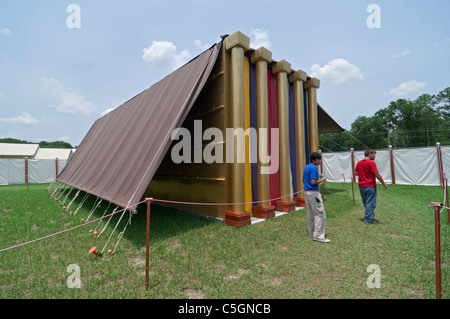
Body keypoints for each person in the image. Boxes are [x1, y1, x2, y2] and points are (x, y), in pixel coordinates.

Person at [355, 149, 388, 225]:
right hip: (370, 185)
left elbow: (356, 173)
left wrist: (363, 175)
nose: (374, 156)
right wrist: (384, 184)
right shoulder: (371, 163)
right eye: (374, 154)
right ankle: (368, 219)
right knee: (370, 203)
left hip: (361, 186)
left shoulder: (359, 163)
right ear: (370, 154)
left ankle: (369, 216)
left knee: (366, 202)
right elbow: (377, 175)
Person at [303, 152, 330, 243]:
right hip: (313, 192)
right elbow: (313, 182)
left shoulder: (306, 167)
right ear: (314, 160)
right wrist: (321, 180)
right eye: (318, 159)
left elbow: (303, 180)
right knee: (320, 214)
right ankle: (318, 235)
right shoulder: (314, 168)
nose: (320, 161)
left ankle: (311, 232)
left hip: (307, 192)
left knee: (310, 213)